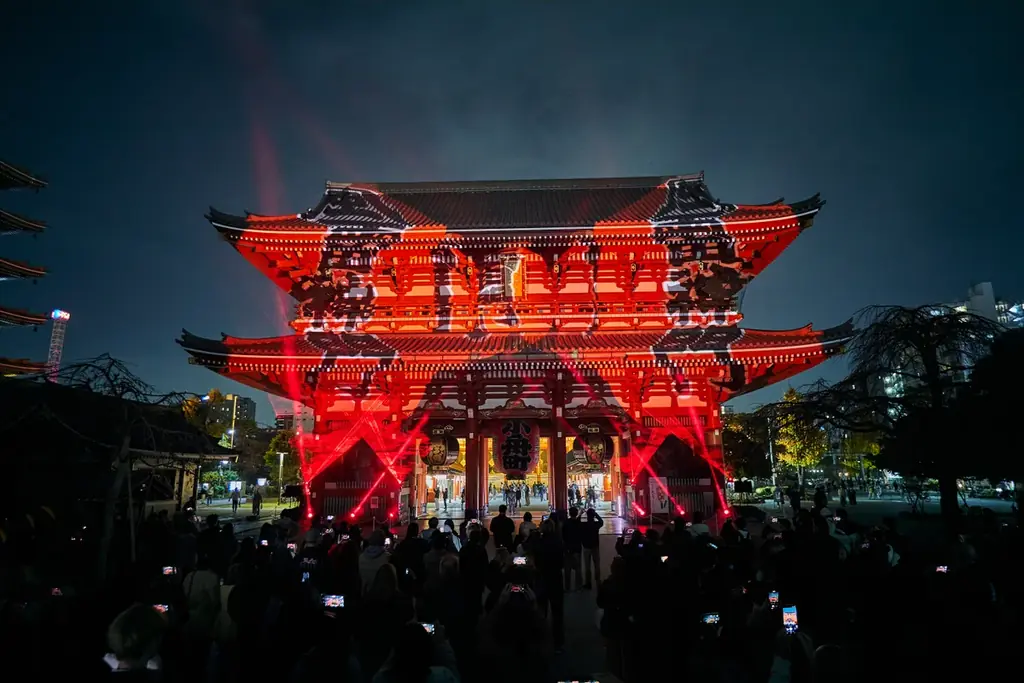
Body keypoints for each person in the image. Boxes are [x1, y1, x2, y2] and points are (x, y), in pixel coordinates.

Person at [580, 507, 603, 589]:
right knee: (597, 565)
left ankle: (588, 583)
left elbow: (577, 522)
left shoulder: (583, 525)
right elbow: (601, 521)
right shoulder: (596, 525)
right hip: (595, 546)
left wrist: (581, 513)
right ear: (593, 516)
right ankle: (598, 581)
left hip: (586, 547)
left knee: (587, 566)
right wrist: (595, 514)